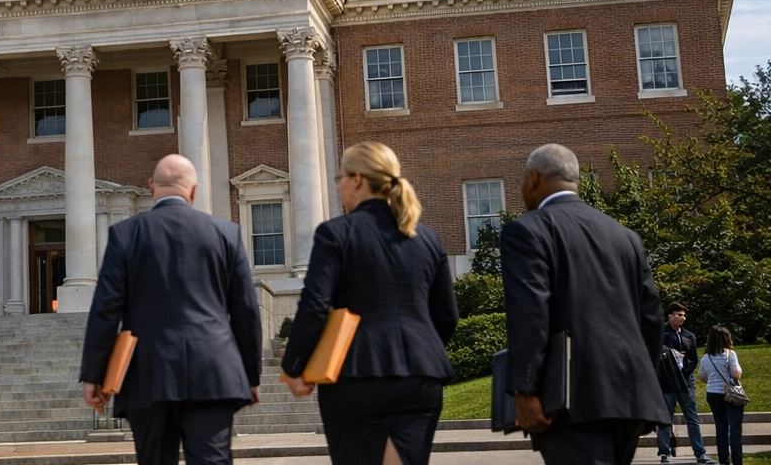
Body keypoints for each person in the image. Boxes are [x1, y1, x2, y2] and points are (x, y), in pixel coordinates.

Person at [278, 141, 458, 465]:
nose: (339, 187)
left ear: (357, 179)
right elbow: (447, 316)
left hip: (357, 376)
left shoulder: (336, 233)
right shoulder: (428, 238)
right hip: (421, 377)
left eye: (340, 178)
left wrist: (294, 366)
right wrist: (418, 349)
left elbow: (315, 305)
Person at [79, 153, 263, 465]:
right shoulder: (226, 234)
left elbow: (105, 310)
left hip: (147, 374)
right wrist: (250, 375)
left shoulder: (125, 235)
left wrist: (92, 375)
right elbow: (246, 310)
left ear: (152, 186)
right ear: (193, 191)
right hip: (214, 372)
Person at [500, 143, 669, 465]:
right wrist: (642, 385)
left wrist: (524, 389)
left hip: (570, 397)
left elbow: (531, 313)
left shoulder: (526, 230)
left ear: (533, 177)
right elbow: (651, 318)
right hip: (630, 394)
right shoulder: (625, 236)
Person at [656, 302, 711, 464]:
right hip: (666, 381)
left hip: (685, 381)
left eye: (684, 315)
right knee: (665, 419)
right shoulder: (661, 333)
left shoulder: (689, 336)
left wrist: (686, 370)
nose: (683, 318)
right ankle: (664, 453)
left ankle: (700, 453)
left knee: (692, 417)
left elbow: (693, 359)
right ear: (670, 316)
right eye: (679, 315)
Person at [697, 325, 744, 465]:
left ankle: (724, 460)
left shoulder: (706, 357)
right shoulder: (730, 354)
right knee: (735, 429)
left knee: (721, 427)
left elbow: (701, 376)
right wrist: (738, 373)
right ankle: (737, 461)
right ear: (726, 339)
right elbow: (736, 373)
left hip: (712, 393)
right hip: (731, 395)